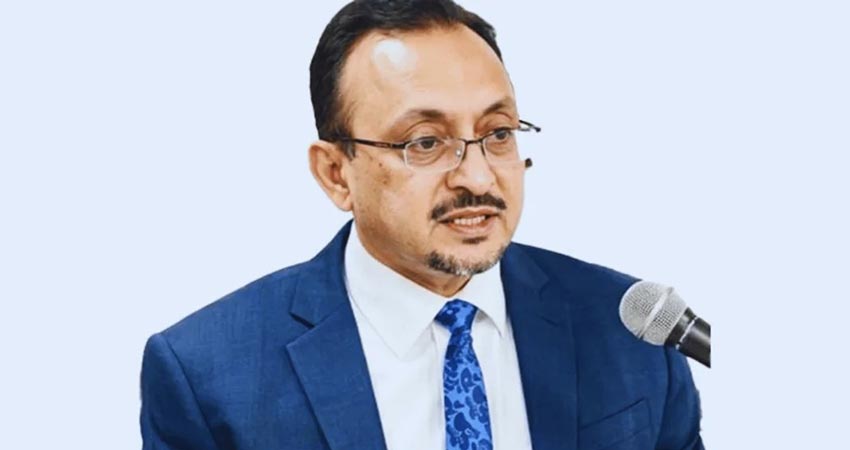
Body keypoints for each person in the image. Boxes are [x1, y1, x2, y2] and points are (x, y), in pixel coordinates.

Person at [139, 1, 704, 449]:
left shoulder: (633, 329)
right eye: (426, 142)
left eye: (498, 133)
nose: (477, 176)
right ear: (336, 174)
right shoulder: (208, 374)